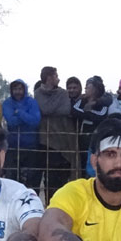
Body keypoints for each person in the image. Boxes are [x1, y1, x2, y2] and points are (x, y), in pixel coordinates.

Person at [33, 65, 74, 198]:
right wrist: (53, 108)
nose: (58, 79)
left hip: (62, 138)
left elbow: (65, 109)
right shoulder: (38, 93)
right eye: (56, 76)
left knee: (61, 175)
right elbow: (44, 108)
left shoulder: (63, 93)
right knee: (48, 176)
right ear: (49, 78)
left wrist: (50, 110)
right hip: (45, 139)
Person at [3, 79, 41, 188]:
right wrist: (26, 116)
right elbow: (11, 121)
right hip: (13, 146)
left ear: (24, 89)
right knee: (12, 178)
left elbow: (35, 121)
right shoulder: (7, 103)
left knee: (31, 179)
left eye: (20, 89)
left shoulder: (32, 102)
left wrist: (19, 112)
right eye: (15, 89)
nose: (17, 92)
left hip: (31, 146)